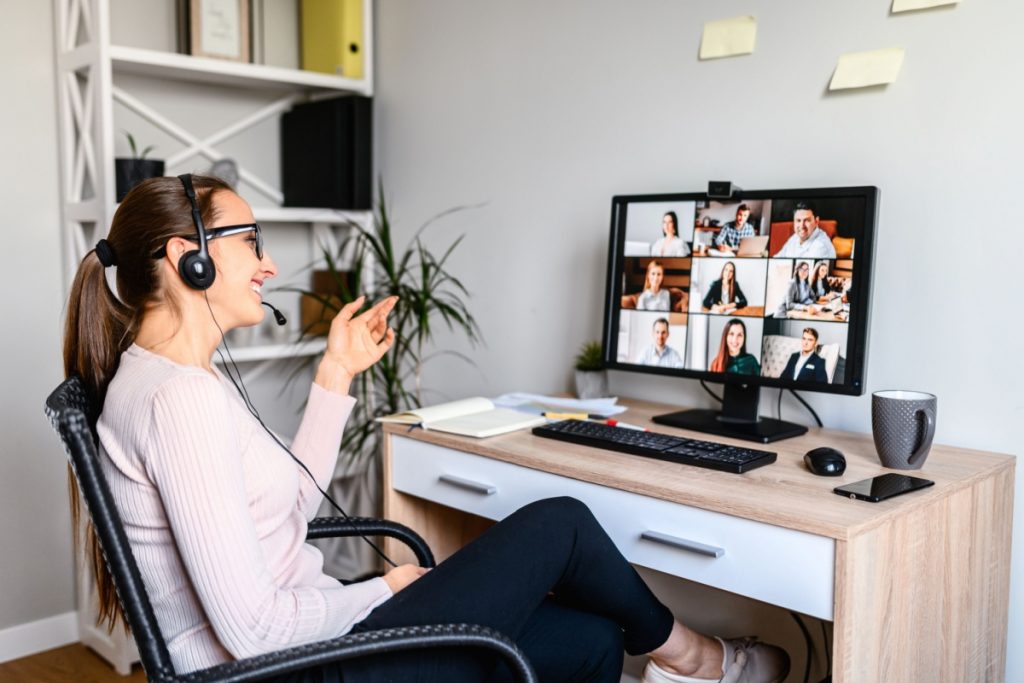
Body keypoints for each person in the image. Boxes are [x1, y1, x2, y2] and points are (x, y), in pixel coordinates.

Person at [62, 175, 788, 683]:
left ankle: (692, 660)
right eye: (249, 239)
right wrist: (383, 589)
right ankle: (699, 659)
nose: (269, 262)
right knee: (560, 524)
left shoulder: (167, 379)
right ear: (184, 256)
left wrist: (335, 374)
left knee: (594, 638)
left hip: (311, 644)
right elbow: (250, 631)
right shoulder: (176, 400)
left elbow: (284, 511)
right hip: (290, 667)